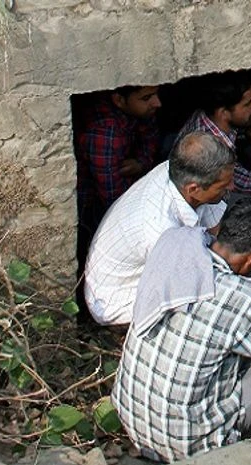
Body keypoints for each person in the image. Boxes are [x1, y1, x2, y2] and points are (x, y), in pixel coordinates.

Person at [112, 198, 251, 462]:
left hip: (132, 418)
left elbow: (224, 267)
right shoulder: (242, 297)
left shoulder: (176, 242)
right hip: (188, 446)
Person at [84, 132, 235, 326]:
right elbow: (196, 283)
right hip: (117, 302)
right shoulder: (162, 230)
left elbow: (214, 232)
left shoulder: (177, 172)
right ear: (194, 189)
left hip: (146, 270)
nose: (232, 186)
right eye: (224, 184)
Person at [73, 85, 162, 317]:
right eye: (147, 98)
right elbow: (116, 203)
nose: (157, 103)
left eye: (156, 94)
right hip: (92, 205)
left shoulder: (138, 113)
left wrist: (142, 162)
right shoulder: (105, 133)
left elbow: (151, 136)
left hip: (118, 185)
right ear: (119, 100)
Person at [173, 70, 251, 197]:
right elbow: (238, 181)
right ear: (223, 113)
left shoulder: (214, 119)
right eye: (248, 103)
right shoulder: (210, 146)